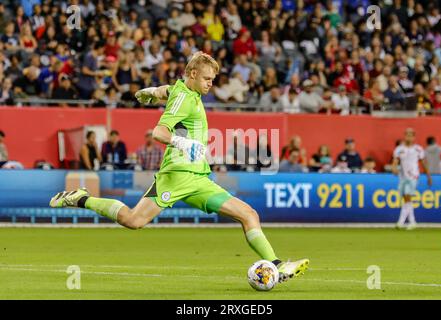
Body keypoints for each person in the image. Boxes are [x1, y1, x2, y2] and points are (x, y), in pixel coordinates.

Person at [50, 52, 309, 283]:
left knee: (248, 214)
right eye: (207, 78)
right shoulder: (185, 98)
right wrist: (182, 142)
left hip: (198, 178)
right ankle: (82, 199)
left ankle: (277, 265)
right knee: (133, 220)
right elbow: (159, 131)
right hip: (176, 176)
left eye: (213, 79)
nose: (211, 83)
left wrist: (148, 92)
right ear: (193, 74)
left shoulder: (185, 90)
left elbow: (167, 90)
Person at [392, 128, 432, 230]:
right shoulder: (399, 149)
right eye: (407, 135)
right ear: (404, 136)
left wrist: (428, 176)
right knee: (405, 198)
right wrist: (394, 168)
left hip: (413, 176)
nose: (409, 137)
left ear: (414, 137)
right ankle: (412, 221)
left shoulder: (418, 149)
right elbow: (395, 161)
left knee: (407, 197)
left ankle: (400, 222)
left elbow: (423, 163)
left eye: (411, 135)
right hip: (403, 176)